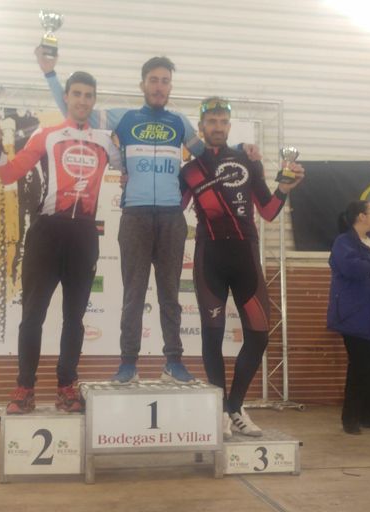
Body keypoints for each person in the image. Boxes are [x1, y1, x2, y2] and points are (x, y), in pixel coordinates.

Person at [37, 49, 261, 384]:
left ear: (170, 87)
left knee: (170, 294)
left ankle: (173, 362)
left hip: (171, 217)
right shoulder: (124, 118)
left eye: (165, 81)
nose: (159, 86)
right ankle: (128, 363)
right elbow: (75, 110)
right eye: (153, 80)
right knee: (134, 294)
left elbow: (209, 155)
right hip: (135, 217)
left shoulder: (179, 122)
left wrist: (242, 149)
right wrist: (50, 74)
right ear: (142, 84)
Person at [0, 71, 121, 414]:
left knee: (74, 318)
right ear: (67, 97)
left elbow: (132, 168)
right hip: (46, 232)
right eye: (77, 94)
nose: (83, 101)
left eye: (89, 95)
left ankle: (66, 387)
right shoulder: (47, 135)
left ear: (94, 100)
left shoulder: (106, 142)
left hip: (83, 235)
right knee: (32, 315)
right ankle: (24, 388)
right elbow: (8, 174)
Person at [180, 97, 305, 437]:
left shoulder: (247, 160)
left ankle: (234, 406)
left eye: (223, 121)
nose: (218, 127)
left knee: (259, 335)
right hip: (210, 258)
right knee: (212, 336)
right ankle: (220, 409)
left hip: (245, 257)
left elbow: (268, 211)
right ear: (201, 127)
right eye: (212, 121)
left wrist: (284, 188)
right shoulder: (190, 170)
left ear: (229, 126)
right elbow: (173, 209)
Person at [327, 200, 370, 434]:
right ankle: (350, 418)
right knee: (359, 365)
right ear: (361, 216)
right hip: (356, 313)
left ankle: (368, 415)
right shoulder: (344, 242)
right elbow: (355, 269)